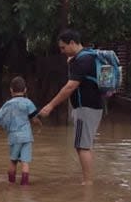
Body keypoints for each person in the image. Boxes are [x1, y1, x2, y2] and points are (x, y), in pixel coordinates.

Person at [38, 29, 104, 184]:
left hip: (85, 108)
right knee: (83, 144)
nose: (62, 51)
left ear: (72, 43)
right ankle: (87, 179)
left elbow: (69, 87)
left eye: (63, 47)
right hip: (92, 107)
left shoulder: (82, 61)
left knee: (83, 146)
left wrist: (50, 105)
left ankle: (87, 183)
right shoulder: (86, 56)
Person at [0, 75, 41, 185]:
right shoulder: (28, 103)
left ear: (11, 90)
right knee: (25, 163)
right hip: (27, 137)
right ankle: (25, 185)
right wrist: (39, 125)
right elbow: (34, 118)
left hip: (14, 137)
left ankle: (11, 184)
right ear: (25, 90)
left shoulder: (8, 104)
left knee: (13, 161)